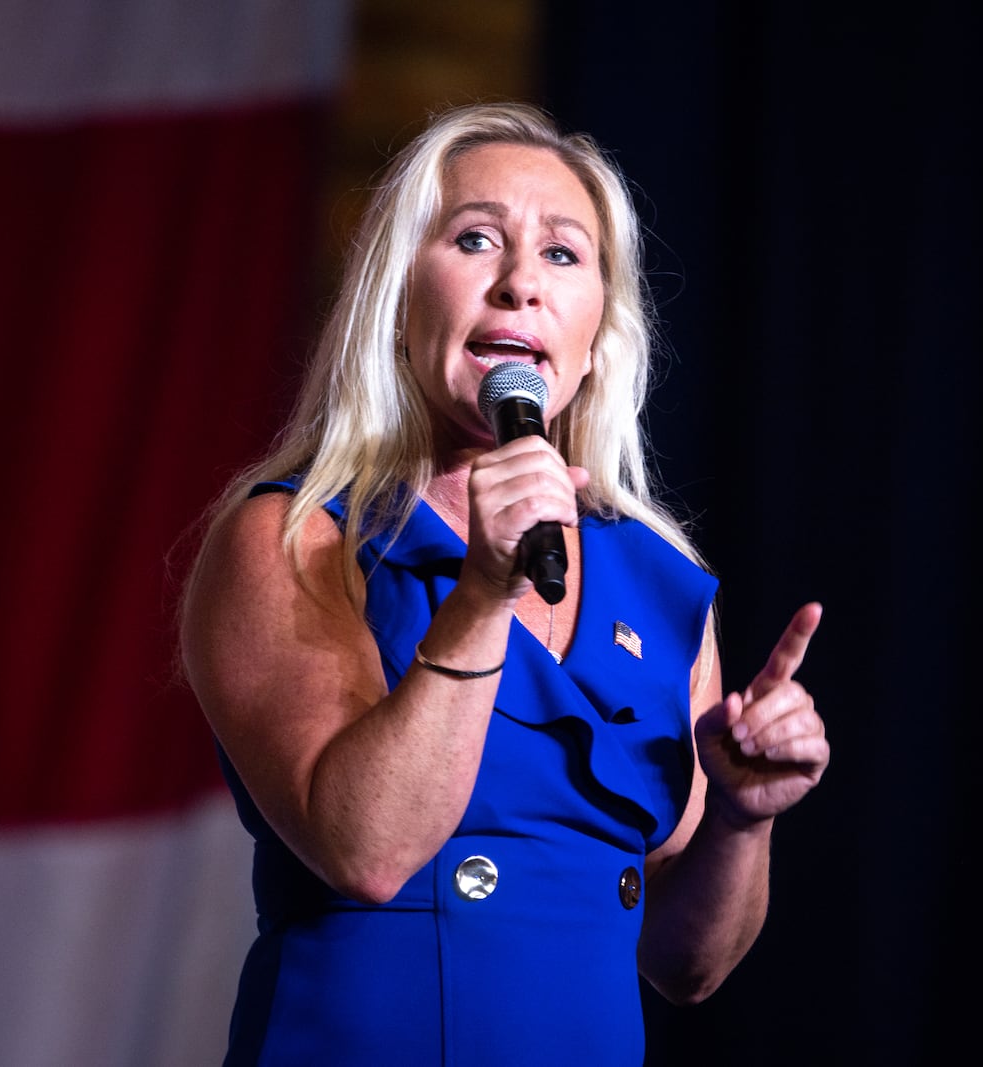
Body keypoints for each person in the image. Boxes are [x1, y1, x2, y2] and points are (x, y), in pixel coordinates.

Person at [179, 101, 828, 1064]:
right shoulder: (292, 536)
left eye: (564, 255)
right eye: (475, 239)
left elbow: (689, 966)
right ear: (398, 297)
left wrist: (739, 815)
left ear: (599, 330)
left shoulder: (663, 582)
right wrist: (482, 592)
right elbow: (367, 851)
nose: (521, 283)